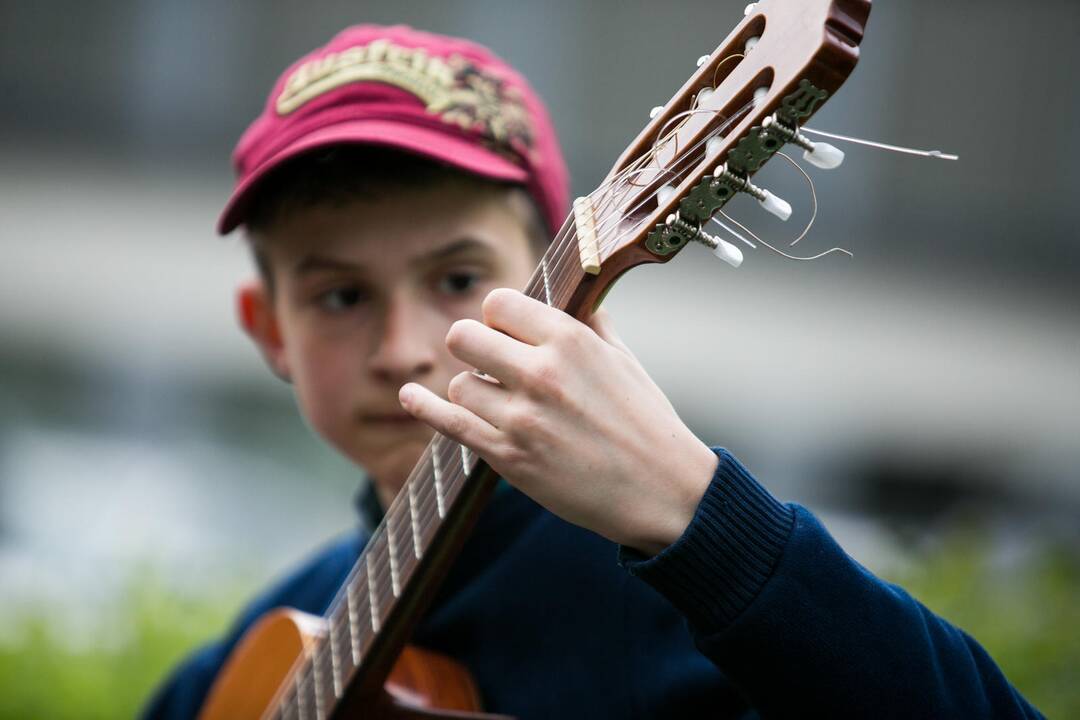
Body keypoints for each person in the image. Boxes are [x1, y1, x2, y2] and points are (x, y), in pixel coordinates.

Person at [143, 24, 1042, 719]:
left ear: (557, 291)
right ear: (268, 332)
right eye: (341, 297)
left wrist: (698, 512)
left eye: (458, 279)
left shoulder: (686, 589)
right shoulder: (243, 670)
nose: (403, 348)